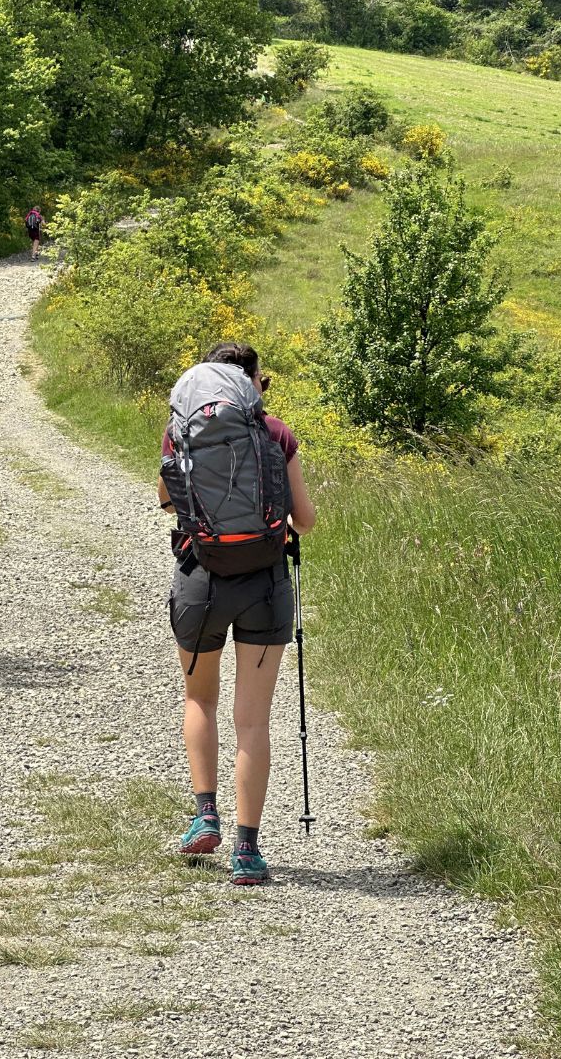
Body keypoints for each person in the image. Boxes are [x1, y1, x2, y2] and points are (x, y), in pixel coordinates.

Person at [158, 341, 316, 885]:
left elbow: (167, 499)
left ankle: (205, 815)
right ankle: (247, 852)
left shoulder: (180, 430)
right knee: (252, 720)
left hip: (200, 579)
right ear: (252, 382)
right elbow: (305, 520)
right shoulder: (277, 434)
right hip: (265, 585)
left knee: (199, 698)